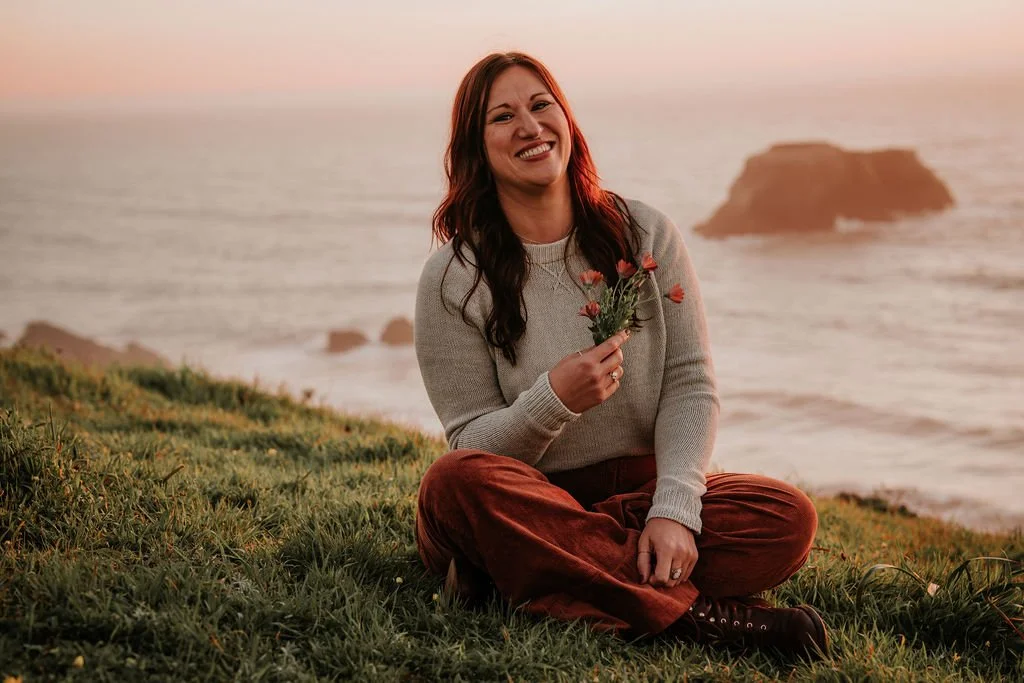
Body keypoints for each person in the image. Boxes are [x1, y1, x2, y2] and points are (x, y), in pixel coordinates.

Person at [413, 51, 829, 658]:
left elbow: (690, 381)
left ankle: (533, 576)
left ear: (566, 118)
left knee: (786, 516)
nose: (529, 127)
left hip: (637, 502)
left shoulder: (645, 234)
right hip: (529, 500)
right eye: (502, 117)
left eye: (540, 105)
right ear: (478, 149)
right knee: (454, 485)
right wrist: (551, 403)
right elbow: (473, 446)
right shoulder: (453, 277)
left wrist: (676, 509)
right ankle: (706, 621)